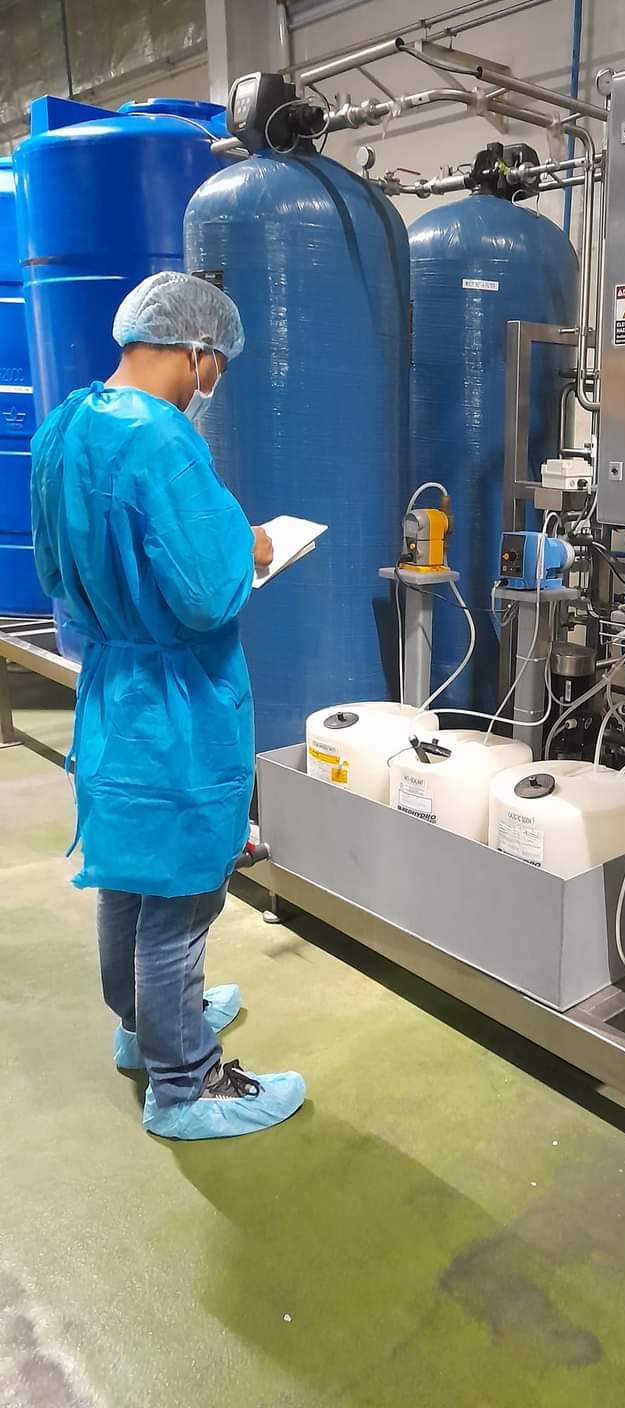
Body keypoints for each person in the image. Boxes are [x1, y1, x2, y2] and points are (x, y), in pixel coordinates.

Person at [30, 270, 305, 1141]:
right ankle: (183, 1083)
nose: (211, 380)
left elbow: (54, 573)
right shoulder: (166, 443)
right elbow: (208, 595)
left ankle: (141, 1026)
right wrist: (253, 545)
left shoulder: (66, 425)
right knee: (183, 899)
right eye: (215, 362)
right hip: (179, 704)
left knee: (128, 871)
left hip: (113, 686)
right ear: (196, 353)